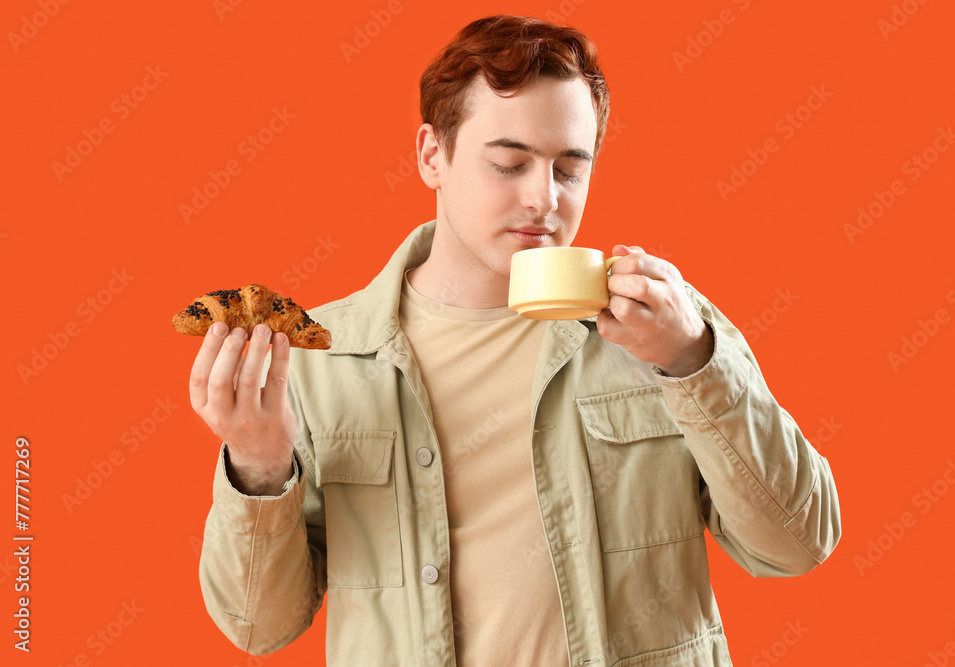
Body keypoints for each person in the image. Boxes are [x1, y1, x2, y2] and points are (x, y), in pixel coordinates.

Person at [193, 14, 841, 667]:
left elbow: (796, 542)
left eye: (569, 168)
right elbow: (258, 626)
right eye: (509, 163)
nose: (543, 198)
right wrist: (258, 460)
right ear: (430, 156)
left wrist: (693, 360)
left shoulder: (666, 327)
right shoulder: (324, 358)